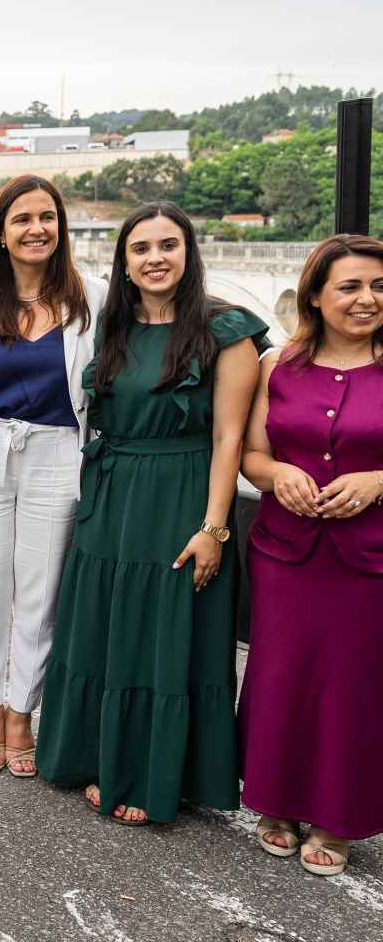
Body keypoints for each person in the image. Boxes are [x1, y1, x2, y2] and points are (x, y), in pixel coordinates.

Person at [36, 201, 267, 826]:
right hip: (110, 497)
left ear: (188, 253)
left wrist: (214, 527)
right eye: (141, 249)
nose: (155, 258)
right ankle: (101, 758)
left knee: (165, 634)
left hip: (181, 494)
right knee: (108, 631)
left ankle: (155, 775)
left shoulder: (228, 330)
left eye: (168, 245)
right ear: (125, 262)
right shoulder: (113, 326)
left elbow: (229, 438)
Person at [0, 175, 105, 777]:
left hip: (58, 452)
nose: (37, 229)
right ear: (0, 234)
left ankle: (21, 711)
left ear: (62, 228)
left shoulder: (94, 301)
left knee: (41, 591)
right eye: (22, 219)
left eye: (47, 218)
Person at [238, 234, 383, 877]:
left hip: (369, 557)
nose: (366, 299)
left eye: (378, 286)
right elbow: (249, 454)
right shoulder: (279, 366)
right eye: (350, 286)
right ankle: (275, 801)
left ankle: (337, 817)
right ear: (316, 297)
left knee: (354, 685)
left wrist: (380, 480)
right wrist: (277, 477)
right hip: (286, 551)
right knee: (281, 673)